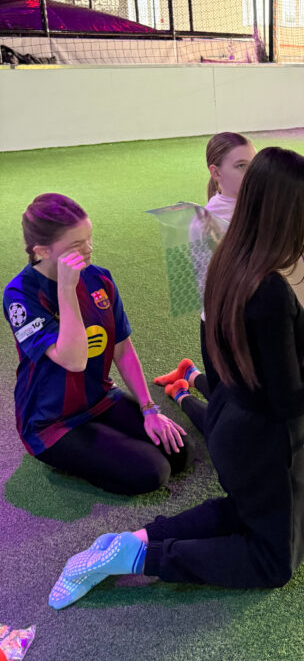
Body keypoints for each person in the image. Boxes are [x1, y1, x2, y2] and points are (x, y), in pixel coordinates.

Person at [49, 147, 304, 607]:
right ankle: (138, 557)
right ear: (285, 214)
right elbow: (288, 400)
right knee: (275, 562)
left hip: (232, 424)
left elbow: (249, 336)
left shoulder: (230, 258)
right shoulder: (270, 288)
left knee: (246, 511)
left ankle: (134, 540)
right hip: (265, 442)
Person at [3, 194, 187, 495]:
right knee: (153, 472)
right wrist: (66, 289)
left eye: (89, 238)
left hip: (100, 399)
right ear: (42, 251)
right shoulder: (20, 295)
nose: (88, 249)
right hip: (51, 423)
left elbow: (122, 349)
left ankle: (103, 444)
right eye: (77, 245)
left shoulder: (100, 278)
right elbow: (73, 360)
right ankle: (73, 459)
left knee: (179, 452)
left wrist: (149, 408)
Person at [154, 131, 256, 431]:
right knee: (231, 431)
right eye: (241, 166)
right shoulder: (205, 221)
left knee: (249, 407)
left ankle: (191, 374)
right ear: (216, 172)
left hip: (253, 320)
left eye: (253, 165)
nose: (251, 174)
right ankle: (181, 392)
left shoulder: (260, 206)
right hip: (223, 329)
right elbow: (211, 289)